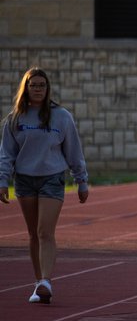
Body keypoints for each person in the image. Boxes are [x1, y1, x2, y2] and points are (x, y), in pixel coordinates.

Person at [0, 67, 89, 304]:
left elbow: (73, 150)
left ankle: (47, 280)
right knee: (32, 234)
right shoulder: (15, 118)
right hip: (25, 180)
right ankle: (38, 281)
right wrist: (2, 180)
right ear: (26, 88)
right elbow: (7, 154)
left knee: (44, 231)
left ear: (47, 89)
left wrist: (81, 180)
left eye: (42, 85)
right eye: (33, 85)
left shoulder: (61, 116)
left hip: (52, 177)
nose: (38, 89)